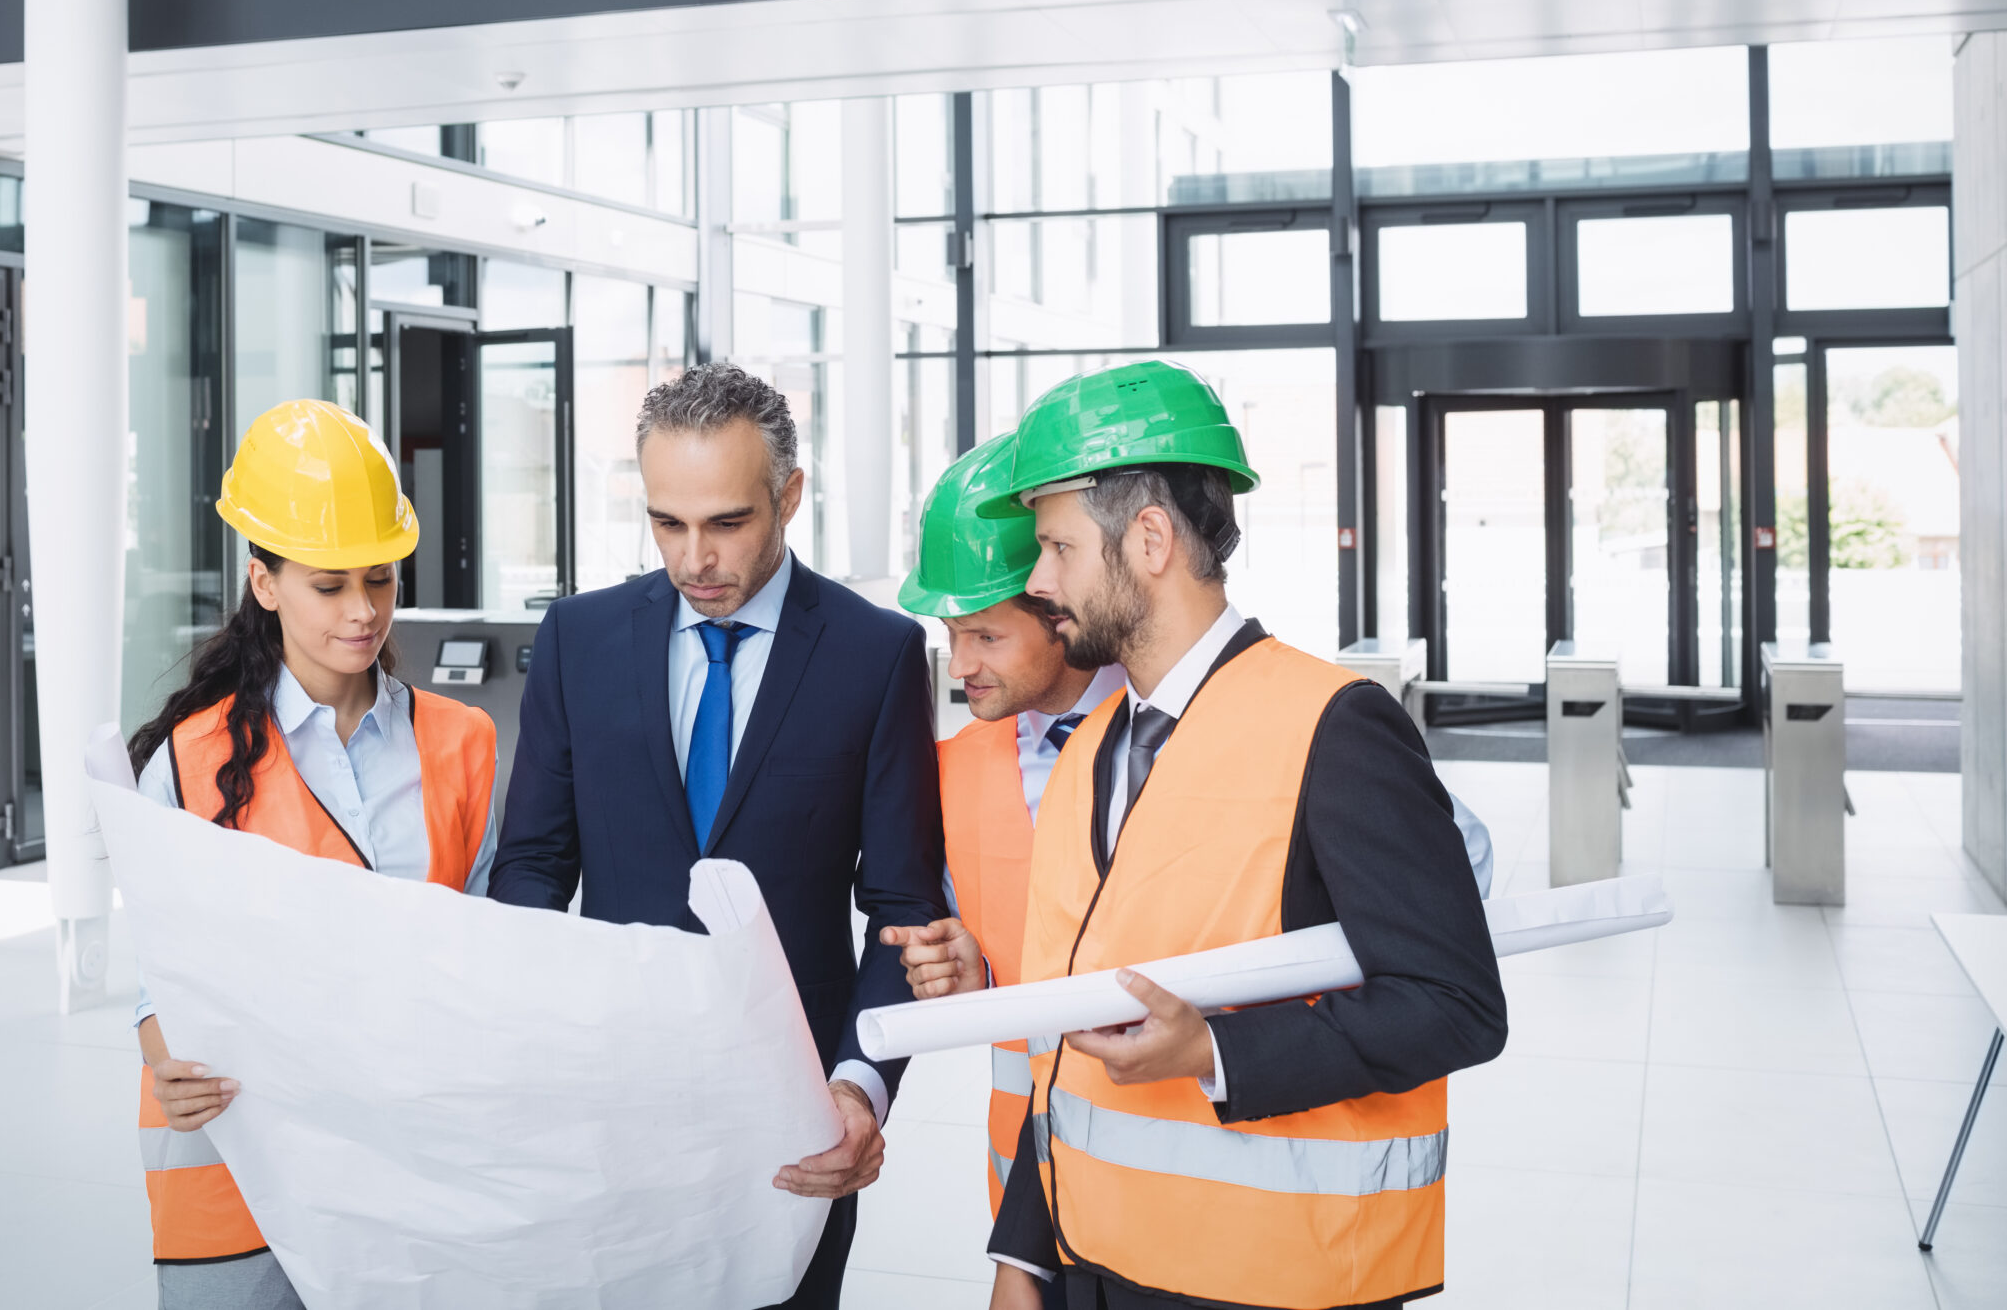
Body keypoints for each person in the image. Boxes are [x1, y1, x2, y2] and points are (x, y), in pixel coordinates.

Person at [979, 361, 1507, 1310]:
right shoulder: (1091, 748)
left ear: (1148, 539)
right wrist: (1025, 1254)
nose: (1036, 578)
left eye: (1056, 547)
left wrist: (1214, 1052)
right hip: (1093, 1265)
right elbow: (1066, 1031)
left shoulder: (1335, 726)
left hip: (1267, 1282)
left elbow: (1454, 1002)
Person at [490, 363, 945, 1310]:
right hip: (609, 1099)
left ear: (789, 496)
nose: (694, 557)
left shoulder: (877, 654)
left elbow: (902, 905)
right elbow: (532, 864)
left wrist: (858, 1086)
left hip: (796, 1108)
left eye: (728, 522)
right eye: (668, 523)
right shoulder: (580, 638)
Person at [127, 399, 501, 1310]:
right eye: (328, 585)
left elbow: (492, 949)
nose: (363, 610)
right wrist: (163, 1057)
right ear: (265, 582)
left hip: (412, 1163)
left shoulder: (464, 742)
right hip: (241, 1165)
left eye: (380, 578)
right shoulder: (190, 757)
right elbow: (155, 969)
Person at [882, 432, 1126, 1222]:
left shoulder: (1181, 726)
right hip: (1036, 1192)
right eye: (950, 638)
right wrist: (970, 969)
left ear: (1062, 612)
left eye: (985, 635)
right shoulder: (955, 767)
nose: (960, 668)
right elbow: (1005, 953)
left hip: (1190, 1182)